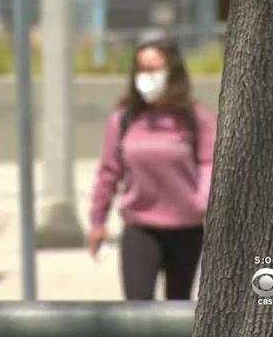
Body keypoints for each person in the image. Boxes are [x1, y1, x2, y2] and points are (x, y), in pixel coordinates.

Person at [88, 38, 217, 300]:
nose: (147, 76)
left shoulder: (194, 119)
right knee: (137, 312)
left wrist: (200, 201)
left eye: (155, 69)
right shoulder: (123, 119)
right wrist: (97, 222)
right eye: (141, 69)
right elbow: (108, 173)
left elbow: (210, 162)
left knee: (178, 308)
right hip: (140, 228)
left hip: (186, 229)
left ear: (172, 72)